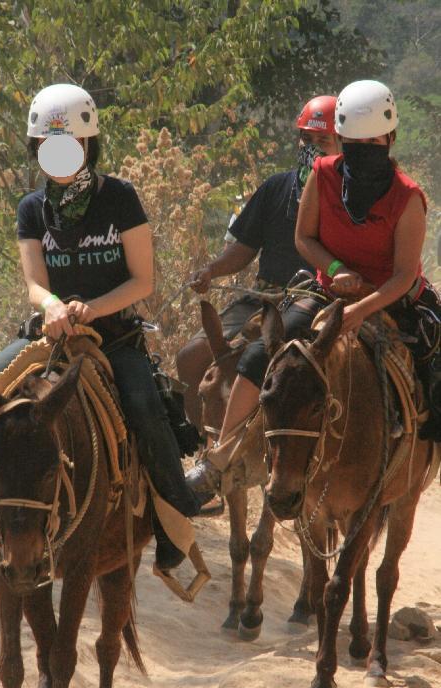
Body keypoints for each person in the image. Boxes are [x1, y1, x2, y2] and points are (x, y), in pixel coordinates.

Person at [0, 83, 199, 568]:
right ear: (37, 147)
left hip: (114, 336)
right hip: (49, 336)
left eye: (70, 143)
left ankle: (173, 518)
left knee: (145, 406)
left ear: (88, 144)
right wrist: (53, 306)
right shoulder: (31, 208)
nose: (59, 152)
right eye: (48, 144)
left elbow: (142, 281)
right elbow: (35, 283)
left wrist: (93, 308)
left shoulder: (119, 198)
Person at [186, 79, 441, 501]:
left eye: (373, 141)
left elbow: (403, 275)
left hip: (391, 297)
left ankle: (419, 457)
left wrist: (362, 309)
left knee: (434, 367)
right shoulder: (322, 176)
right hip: (327, 292)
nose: (364, 149)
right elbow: (304, 238)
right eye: (355, 142)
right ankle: (219, 459)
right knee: (258, 356)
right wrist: (336, 270)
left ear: (390, 138)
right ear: (343, 139)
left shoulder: (408, 197)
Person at [177, 95, 339, 428]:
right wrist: (211, 270)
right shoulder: (276, 187)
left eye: (323, 140)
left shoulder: (346, 197)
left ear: (344, 143)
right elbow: (244, 248)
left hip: (315, 299)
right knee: (190, 357)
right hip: (263, 298)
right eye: (306, 139)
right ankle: (201, 442)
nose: (312, 148)